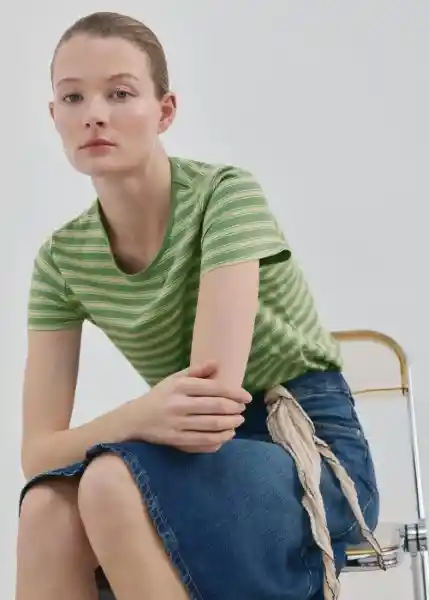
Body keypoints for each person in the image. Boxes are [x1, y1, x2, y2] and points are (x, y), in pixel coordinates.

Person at [16, 11, 381, 600]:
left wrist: (146, 420)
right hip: (177, 455)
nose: (94, 114)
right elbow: (38, 453)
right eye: (73, 96)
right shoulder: (61, 259)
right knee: (46, 509)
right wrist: (142, 415)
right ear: (53, 115)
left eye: (120, 93)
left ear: (164, 111)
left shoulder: (223, 197)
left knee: (109, 482)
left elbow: (211, 408)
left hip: (306, 450)